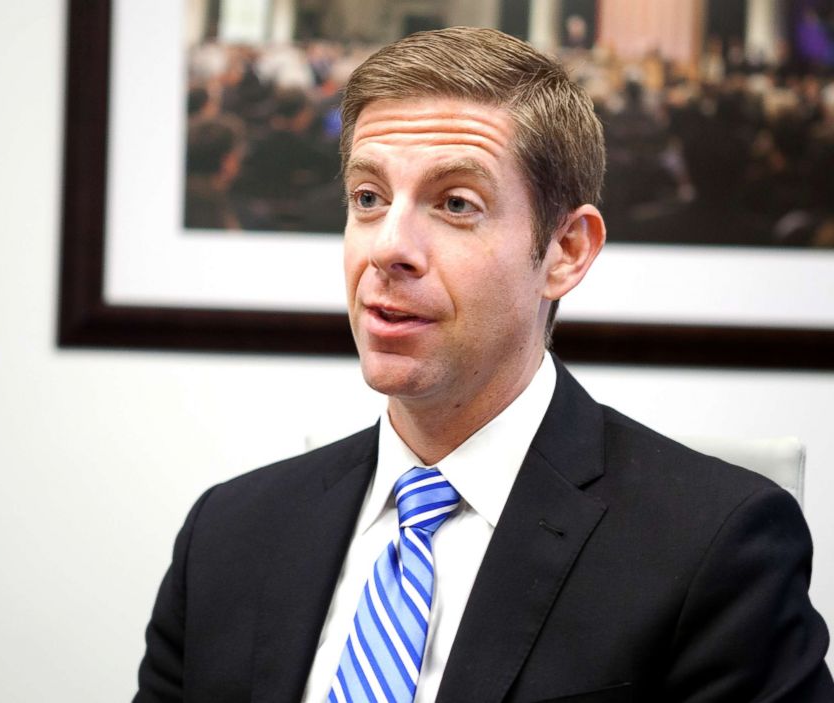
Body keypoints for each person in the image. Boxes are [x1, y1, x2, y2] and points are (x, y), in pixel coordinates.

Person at [135, 27, 833, 702]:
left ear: (566, 251)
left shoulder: (715, 548)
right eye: (368, 198)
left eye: (455, 203)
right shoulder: (228, 533)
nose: (388, 248)